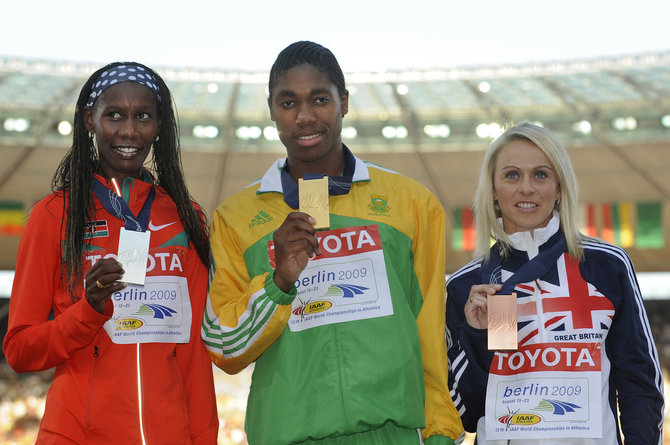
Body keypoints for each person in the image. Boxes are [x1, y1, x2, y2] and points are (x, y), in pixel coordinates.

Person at [202, 41, 463, 444]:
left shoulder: (411, 203)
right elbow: (224, 348)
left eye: (319, 99)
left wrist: (441, 430)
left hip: (390, 434)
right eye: (288, 102)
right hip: (287, 434)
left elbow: (428, 329)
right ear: (271, 109)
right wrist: (278, 284)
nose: (305, 117)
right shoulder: (234, 219)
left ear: (344, 101)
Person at [3, 62, 219, 444]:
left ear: (160, 125)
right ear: (90, 119)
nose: (129, 131)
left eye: (143, 116)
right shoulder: (54, 215)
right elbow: (20, 350)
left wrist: (203, 438)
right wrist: (87, 312)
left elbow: (193, 356)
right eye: (114, 115)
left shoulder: (188, 217)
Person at [445, 121, 664, 444]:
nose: (527, 188)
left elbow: (639, 384)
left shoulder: (604, 266)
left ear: (559, 187)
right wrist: (478, 336)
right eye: (511, 175)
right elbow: (469, 413)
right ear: (493, 189)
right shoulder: (473, 285)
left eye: (541, 174)